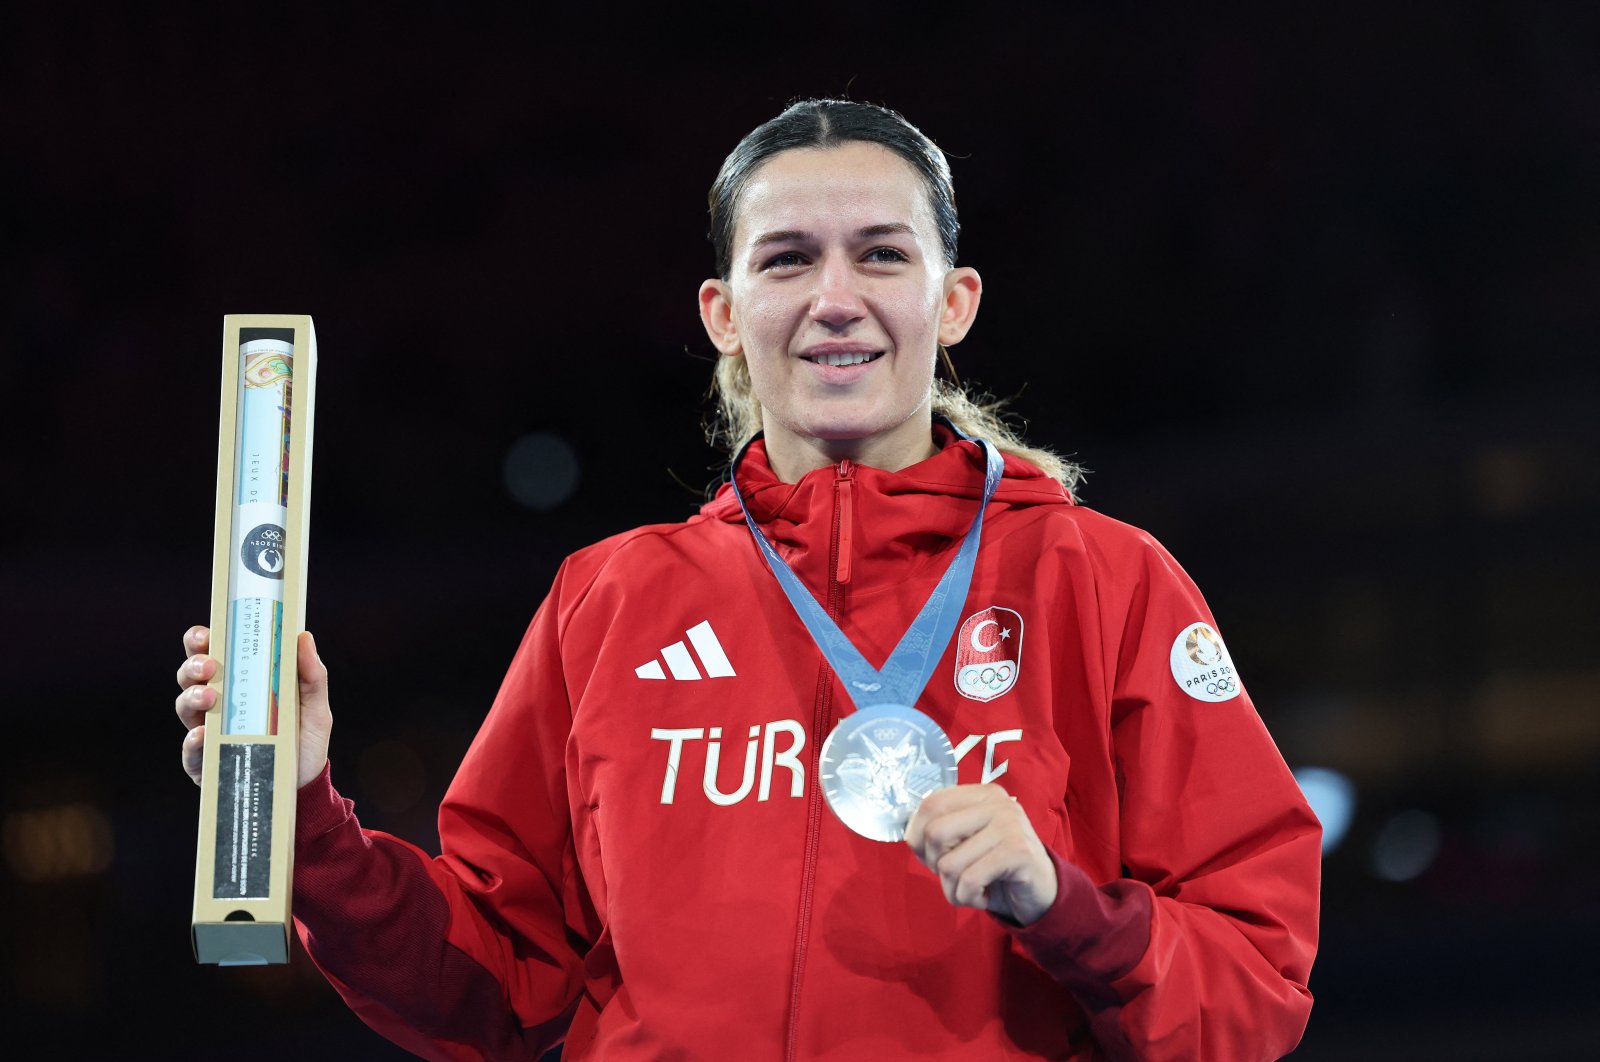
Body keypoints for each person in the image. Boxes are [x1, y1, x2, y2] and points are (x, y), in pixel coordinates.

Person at [175, 98, 1319, 1060]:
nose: (834, 297)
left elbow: (1253, 988)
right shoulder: (611, 599)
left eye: (880, 252)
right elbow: (486, 985)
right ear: (723, 315)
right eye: (786, 259)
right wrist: (301, 811)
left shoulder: (1104, 582)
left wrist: (1064, 908)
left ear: (953, 300)